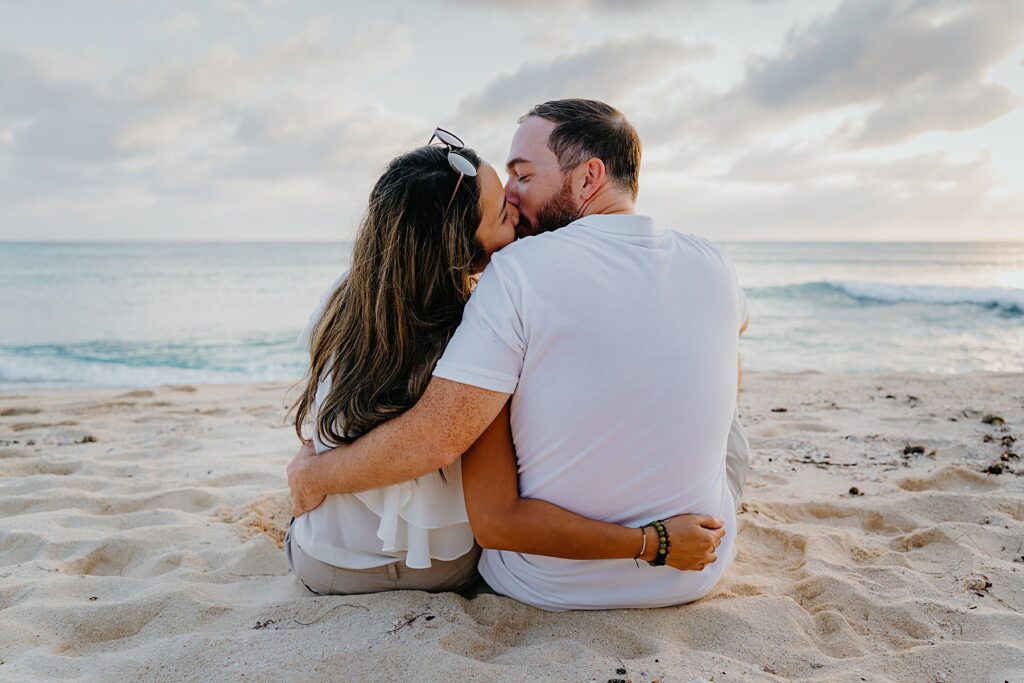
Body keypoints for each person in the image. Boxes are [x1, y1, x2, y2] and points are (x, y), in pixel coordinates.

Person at [288, 101, 751, 610]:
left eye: (522, 175)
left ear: (588, 177)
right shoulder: (715, 263)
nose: (511, 193)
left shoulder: (496, 277)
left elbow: (437, 440)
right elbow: (737, 329)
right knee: (729, 420)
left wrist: (314, 475)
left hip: (527, 580)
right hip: (696, 567)